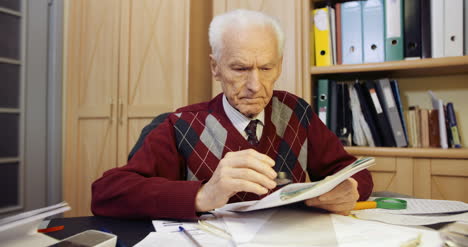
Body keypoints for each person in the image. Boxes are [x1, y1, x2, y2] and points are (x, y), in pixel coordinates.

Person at [91, 9, 373, 220]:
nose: (255, 86)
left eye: (266, 68)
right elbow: (107, 192)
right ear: (216, 68)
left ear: (279, 65)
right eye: (239, 69)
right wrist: (202, 195)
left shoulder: (297, 113)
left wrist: (350, 187)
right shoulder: (181, 125)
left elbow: (353, 172)